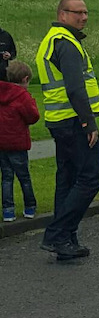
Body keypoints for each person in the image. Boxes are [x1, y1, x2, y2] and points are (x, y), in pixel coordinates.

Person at [36, 0, 99, 261]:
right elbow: (75, 88)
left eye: (86, 12)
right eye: (77, 13)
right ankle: (58, 234)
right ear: (62, 14)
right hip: (74, 121)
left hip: (59, 120)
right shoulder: (65, 44)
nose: (84, 17)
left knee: (67, 179)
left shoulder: (52, 40)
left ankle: (66, 239)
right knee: (91, 177)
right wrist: (88, 122)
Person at [0, 61, 39, 222]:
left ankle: (8, 210)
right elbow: (33, 117)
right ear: (25, 79)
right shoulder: (22, 96)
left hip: (2, 143)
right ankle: (29, 207)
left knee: (6, 178)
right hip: (18, 143)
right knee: (24, 177)